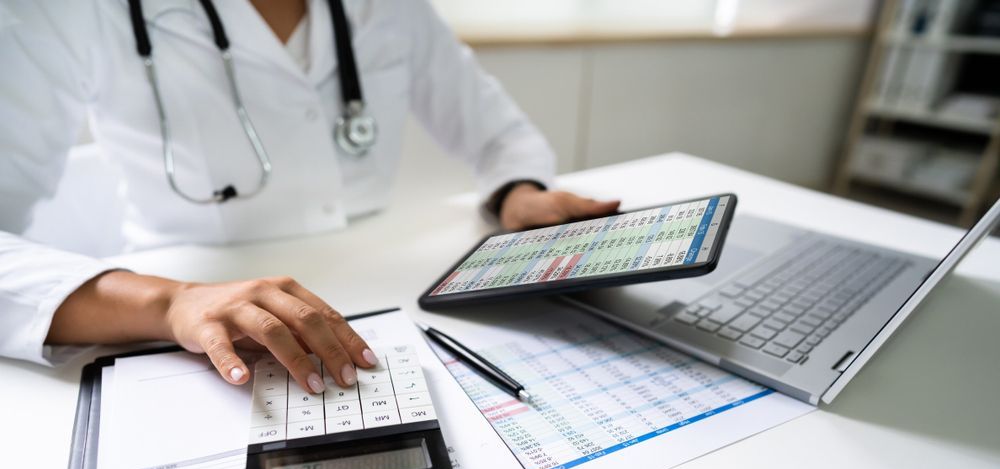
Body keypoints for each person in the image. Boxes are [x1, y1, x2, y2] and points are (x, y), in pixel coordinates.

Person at [0, 0, 619, 394]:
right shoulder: (57, 11)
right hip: (188, 337)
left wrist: (518, 192)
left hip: (392, 306)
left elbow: (497, 133)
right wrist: (170, 302)